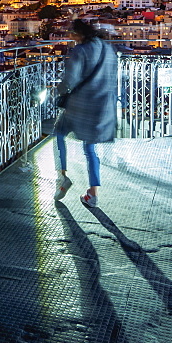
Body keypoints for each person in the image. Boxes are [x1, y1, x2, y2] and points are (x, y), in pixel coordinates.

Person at [54, 19, 118, 208]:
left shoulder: (79, 51)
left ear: (78, 35)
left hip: (80, 106)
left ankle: (62, 176)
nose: (69, 37)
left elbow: (69, 80)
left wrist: (60, 91)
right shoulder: (107, 48)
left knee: (58, 134)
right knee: (90, 149)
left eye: (71, 34)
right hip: (102, 106)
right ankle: (93, 194)